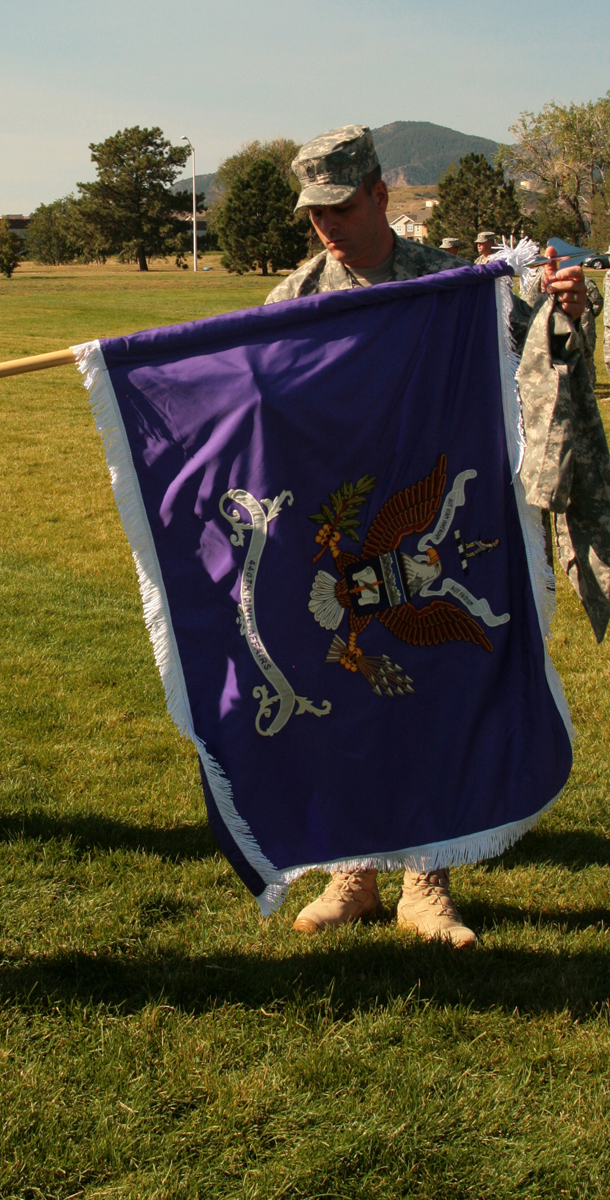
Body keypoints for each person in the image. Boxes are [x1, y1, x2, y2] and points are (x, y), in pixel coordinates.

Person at [265, 125, 589, 948]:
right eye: (314, 215)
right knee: (346, 694)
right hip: (338, 537)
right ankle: (353, 876)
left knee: (437, 684)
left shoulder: (458, 285)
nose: (328, 228)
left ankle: (426, 885)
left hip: (433, 512)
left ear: (379, 194)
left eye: (340, 207)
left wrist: (563, 307)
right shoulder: (296, 297)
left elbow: (529, 365)